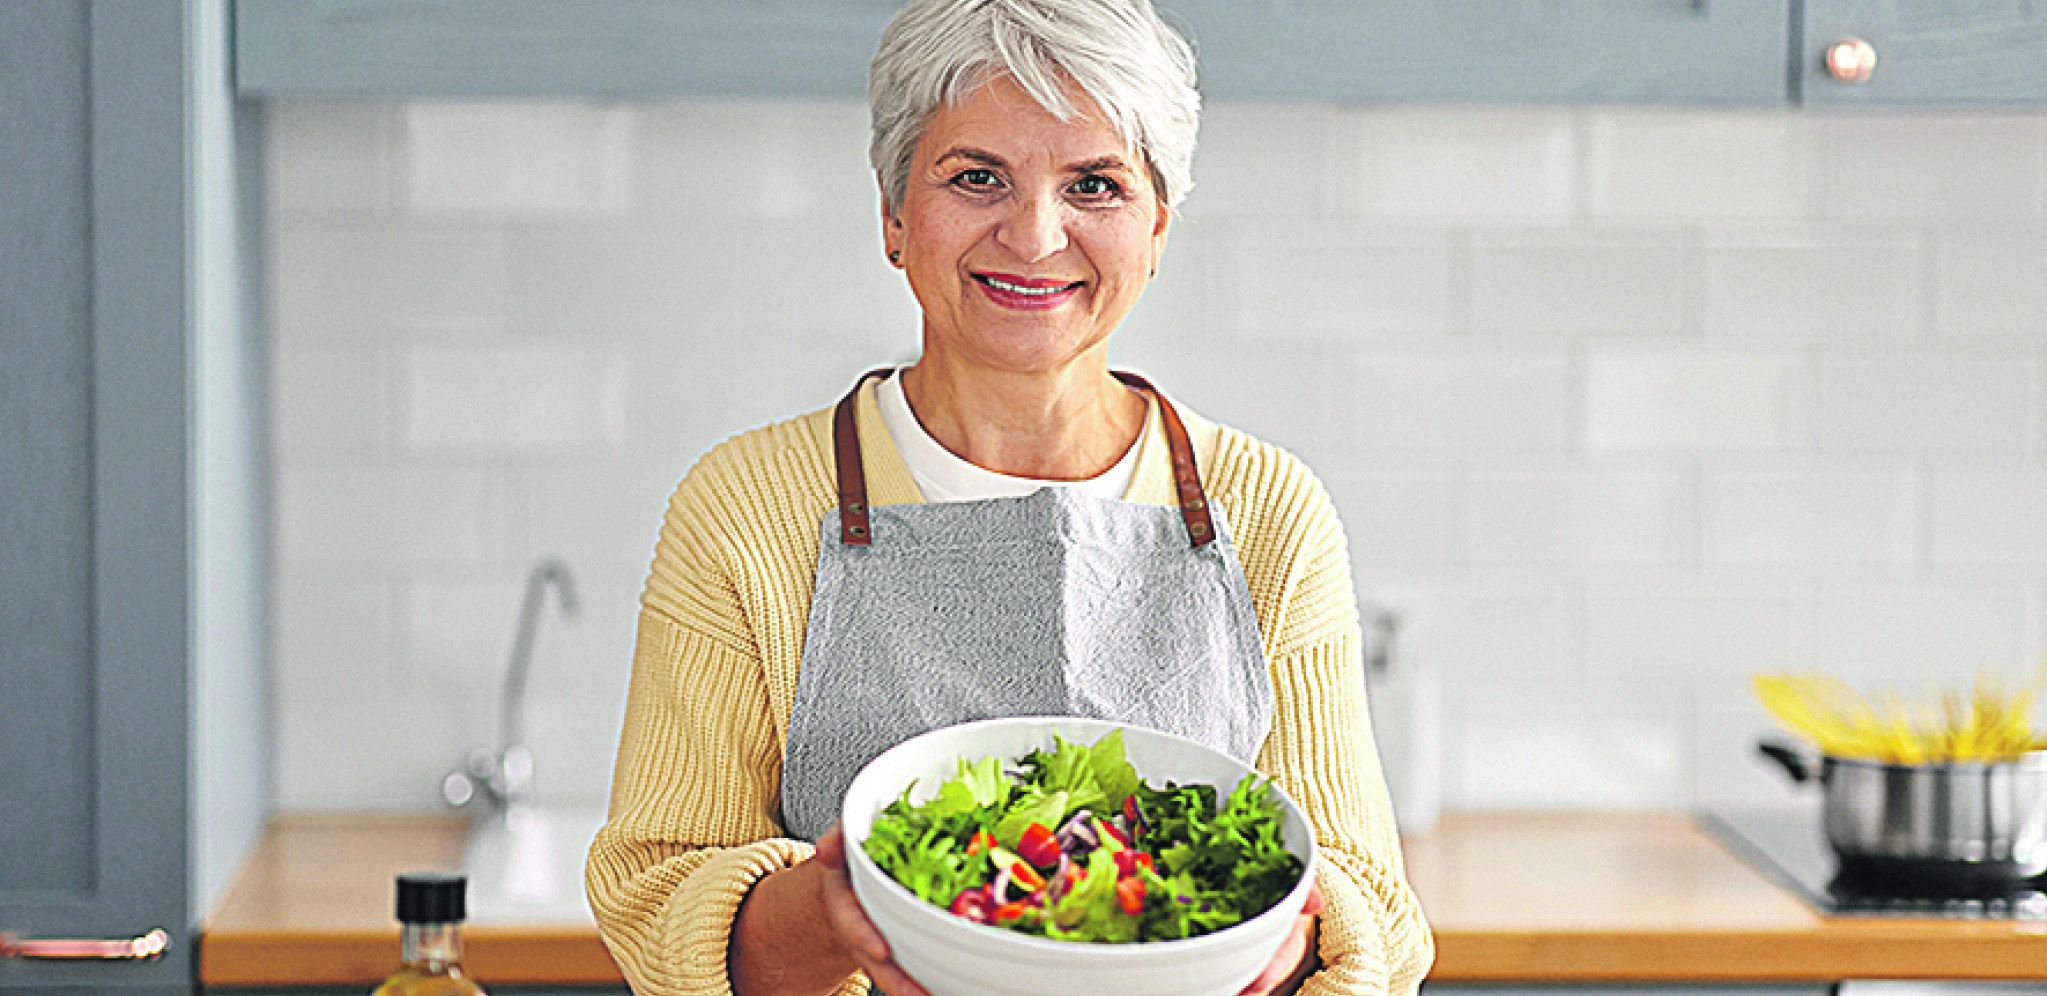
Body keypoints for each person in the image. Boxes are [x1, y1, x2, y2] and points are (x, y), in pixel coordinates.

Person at [584, 1, 1434, 994]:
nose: (1034, 236)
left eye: (1095, 184)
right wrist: (841, 910)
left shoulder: (1267, 512)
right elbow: (656, 900)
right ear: (895, 214)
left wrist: (1278, 943)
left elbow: (1367, 907)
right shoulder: (746, 509)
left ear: (1157, 225)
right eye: (976, 176)